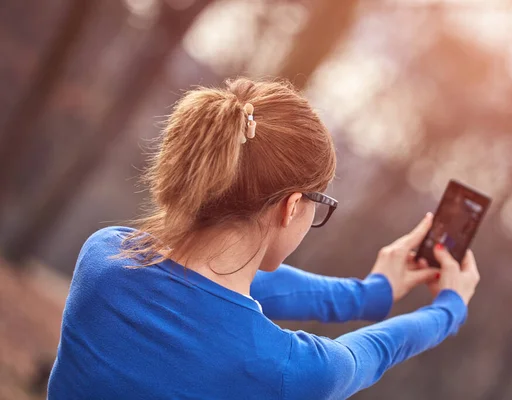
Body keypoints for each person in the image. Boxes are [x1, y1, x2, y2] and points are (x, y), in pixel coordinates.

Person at [48, 78, 480, 400]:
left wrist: (373, 294)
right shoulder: (283, 369)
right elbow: (374, 352)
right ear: (292, 206)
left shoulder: (105, 256)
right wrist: (450, 308)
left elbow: (210, 288)